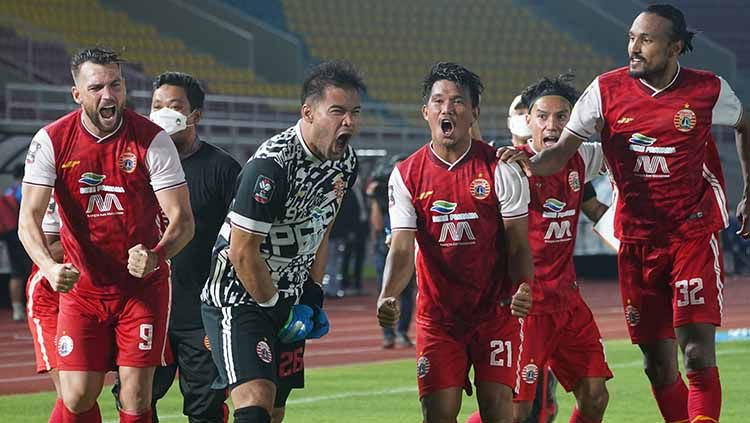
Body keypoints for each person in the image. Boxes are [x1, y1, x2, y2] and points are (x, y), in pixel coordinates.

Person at [500, 5, 748, 422]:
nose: (633, 47)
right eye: (631, 38)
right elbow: (561, 153)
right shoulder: (604, 91)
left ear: (675, 48)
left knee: (696, 353)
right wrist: (528, 162)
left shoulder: (708, 90)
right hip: (636, 243)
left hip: (692, 234)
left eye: (646, 40)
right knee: (657, 365)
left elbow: (745, 124)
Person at [18, 47, 195, 423]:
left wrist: (157, 255)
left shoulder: (152, 140)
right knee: (78, 396)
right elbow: (27, 222)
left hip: (140, 288)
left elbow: (182, 220)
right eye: (96, 87)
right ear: (77, 93)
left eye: (116, 84)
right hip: (83, 290)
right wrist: (49, 268)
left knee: (135, 397)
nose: (108, 95)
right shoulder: (51, 140)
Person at [200, 60, 365, 423]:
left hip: (287, 299)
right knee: (255, 404)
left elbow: (322, 228)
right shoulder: (272, 167)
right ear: (307, 112)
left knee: (275, 411)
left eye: (354, 112)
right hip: (239, 296)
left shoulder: (346, 163)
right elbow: (242, 252)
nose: (349, 122)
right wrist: (278, 311)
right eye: (337, 111)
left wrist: (312, 294)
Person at [376, 62, 534, 423]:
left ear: (473, 112)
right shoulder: (406, 175)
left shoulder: (501, 168)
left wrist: (524, 286)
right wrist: (388, 293)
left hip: (494, 311)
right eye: (439, 101)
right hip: (439, 317)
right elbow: (402, 247)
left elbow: (518, 245)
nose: (447, 108)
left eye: (458, 101)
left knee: (498, 409)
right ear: (426, 112)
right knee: (438, 414)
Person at [473, 75, 614, 423]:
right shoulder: (508, 167)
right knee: (516, 412)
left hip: (568, 304)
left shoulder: (583, 157)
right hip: (523, 307)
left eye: (562, 117)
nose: (552, 125)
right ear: (529, 121)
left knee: (595, 397)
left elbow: (628, 151)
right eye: (542, 116)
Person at [111, 71, 241, 422]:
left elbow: (242, 238)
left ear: (195, 115)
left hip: (201, 310)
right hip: (143, 305)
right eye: (156, 105)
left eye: (173, 106)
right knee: (133, 397)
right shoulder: (131, 163)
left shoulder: (223, 169)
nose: (162, 112)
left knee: (206, 407)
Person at [366, 155, 415, 349]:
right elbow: (377, 224)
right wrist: (375, 200)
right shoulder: (382, 195)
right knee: (385, 290)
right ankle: (388, 334)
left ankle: (402, 332)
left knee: (407, 291)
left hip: (406, 245)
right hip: (384, 246)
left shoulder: (411, 191)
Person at [25, 196, 65, 422]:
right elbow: (50, 249)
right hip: (51, 297)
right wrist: (99, 234)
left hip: (97, 293)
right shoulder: (54, 190)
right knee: (72, 394)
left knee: (85, 391)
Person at [2, 164, 32, 321]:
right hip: (24, 233)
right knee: (31, 270)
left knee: (16, 273)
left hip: (9, 235)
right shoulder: (26, 188)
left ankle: (17, 309)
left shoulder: (9, 191)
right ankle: (31, 305)